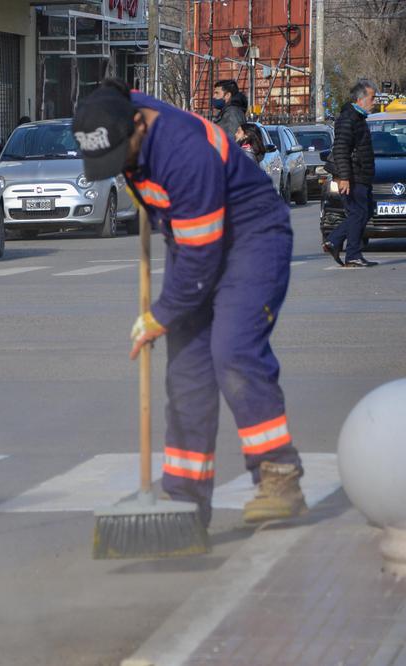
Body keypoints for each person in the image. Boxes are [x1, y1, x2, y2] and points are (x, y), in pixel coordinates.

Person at [72, 80, 306, 527]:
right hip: (195, 241)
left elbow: (200, 260)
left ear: (139, 126)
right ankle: (185, 502)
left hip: (251, 238)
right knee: (186, 374)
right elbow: (189, 247)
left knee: (233, 350)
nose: (118, 167)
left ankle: (279, 476)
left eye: (121, 155)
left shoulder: (185, 153)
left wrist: (159, 316)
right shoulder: (114, 114)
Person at [323, 79, 378, 268]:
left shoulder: (358, 118)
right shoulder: (349, 118)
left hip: (361, 176)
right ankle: (352, 254)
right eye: (372, 97)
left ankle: (334, 241)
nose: (375, 101)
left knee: (364, 211)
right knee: (358, 212)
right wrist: (344, 177)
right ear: (361, 99)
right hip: (353, 176)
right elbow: (340, 149)